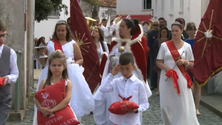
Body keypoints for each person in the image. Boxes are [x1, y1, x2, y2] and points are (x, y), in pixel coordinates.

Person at [93, 18, 151, 125]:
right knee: (112, 103)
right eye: (119, 26)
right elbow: (110, 61)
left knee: (131, 106)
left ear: (129, 29)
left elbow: (141, 65)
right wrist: (112, 62)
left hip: (131, 78)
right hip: (116, 79)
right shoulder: (115, 42)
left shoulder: (136, 44)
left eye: (123, 26)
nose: (120, 28)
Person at [35, 20, 94, 121]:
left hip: (69, 73)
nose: (60, 32)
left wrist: (73, 65)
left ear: (67, 31)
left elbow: (80, 59)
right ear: (55, 31)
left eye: (62, 30)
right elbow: (43, 60)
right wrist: (41, 52)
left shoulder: (72, 44)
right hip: (52, 72)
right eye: (58, 30)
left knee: (69, 96)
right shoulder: (50, 44)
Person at [156, 22, 199, 125]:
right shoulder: (164, 45)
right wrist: (166, 68)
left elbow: (192, 64)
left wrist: (185, 62)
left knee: (181, 104)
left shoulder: (187, 46)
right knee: (165, 106)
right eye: (173, 31)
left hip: (181, 78)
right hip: (167, 78)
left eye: (176, 31)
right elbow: (158, 62)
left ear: (181, 31)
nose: (174, 33)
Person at [100, 52, 149, 125]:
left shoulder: (139, 84)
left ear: (133, 67)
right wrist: (112, 74)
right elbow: (103, 89)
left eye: (127, 69)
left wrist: (136, 110)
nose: (124, 72)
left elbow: (145, 103)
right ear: (118, 67)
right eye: (122, 69)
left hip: (132, 121)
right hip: (117, 121)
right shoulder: (116, 82)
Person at [34, 50, 78, 125]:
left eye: (59, 65)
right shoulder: (44, 82)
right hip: (45, 115)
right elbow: (37, 98)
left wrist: (52, 110)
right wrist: (41, 108)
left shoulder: (67, 83)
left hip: (63, 115)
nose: (56, 68)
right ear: (49, 67)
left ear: (64, 67)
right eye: (54, 65)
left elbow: (66, 100)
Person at [0, 20, 19, 125]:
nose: (1, 39)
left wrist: (7, 79)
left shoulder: (10, 53)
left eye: (3, 35)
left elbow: (15, 74)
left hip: (4, 97)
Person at [184, 22, 201, 116]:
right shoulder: (185, 42)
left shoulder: (198, 41)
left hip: (198, 66)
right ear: (186, 31)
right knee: (190, 88)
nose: (191, 31)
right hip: (188, 66)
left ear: (195, 30)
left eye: (193, 29)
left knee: (198, 87)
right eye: (189, 29)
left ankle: (196, 108)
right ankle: (190, 107)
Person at [153, 27, 170, 95]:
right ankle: (158, 89)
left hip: (167, 60)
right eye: (162, 32)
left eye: (165, 32)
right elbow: (154, 51)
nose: (163, 33)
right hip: (159, 60)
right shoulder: (157, 41)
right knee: (159, 76)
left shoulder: (169, 41)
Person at [147, 21, 159, 90]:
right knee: (153, 68)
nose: (155, 26)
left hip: (159, 52)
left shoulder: (160, 32)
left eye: (157, 25)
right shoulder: (150, 33)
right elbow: (149, 43)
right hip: (153, 52)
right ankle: (153, 84)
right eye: (154, 25)